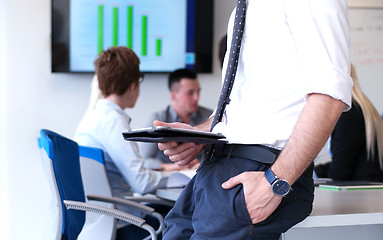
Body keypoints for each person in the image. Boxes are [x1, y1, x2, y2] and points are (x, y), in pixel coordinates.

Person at [156, 1, 353, 239]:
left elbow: (329, 96)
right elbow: (243, 109)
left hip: (261, 169)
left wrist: (275, 182)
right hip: (216, 168)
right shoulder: (246, 7)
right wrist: (197, 135)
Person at [73, 46, 175, 239]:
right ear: (132, 85)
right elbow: (142, 183)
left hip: (98, 223)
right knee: (186, 218)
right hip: (123, 225)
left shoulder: (91, 118)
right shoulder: (113, 121)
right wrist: (179, 177)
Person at [315, 65, 383, 181]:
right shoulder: (363, 107)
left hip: (358, 193)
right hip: (369, 187)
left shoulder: (348, 112)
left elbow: (341, 170)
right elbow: (349, 158)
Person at [139, 68, 212, 168]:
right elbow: (142, 160)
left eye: (198, 92)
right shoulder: (158, 119)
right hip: (170, 180)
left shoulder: (210, 117)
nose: (196, 97)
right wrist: (172, 167)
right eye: (190, 93)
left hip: (201, 174)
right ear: (173, 95)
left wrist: (201, 165)